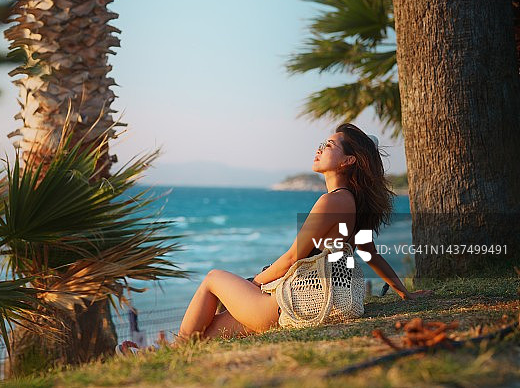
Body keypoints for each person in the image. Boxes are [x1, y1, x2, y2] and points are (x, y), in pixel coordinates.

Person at [118, 123, 431, 354]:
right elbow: (369, 252)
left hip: (302, 307)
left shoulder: (331, 201)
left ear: (349, 161)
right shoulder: (351, 201)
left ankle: (168, 352)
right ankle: (163, 353)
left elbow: (292, 258)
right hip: (331, 303)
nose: (321, 148)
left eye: (331, 145)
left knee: (213, 279)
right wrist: (404, 293)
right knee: (213, 329)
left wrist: (256, 281)